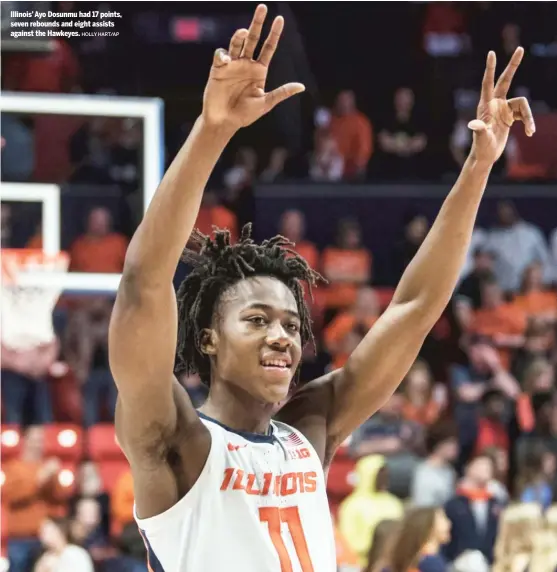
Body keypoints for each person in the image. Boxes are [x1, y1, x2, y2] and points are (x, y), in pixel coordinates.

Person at [108, 4, 535, 570]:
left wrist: (478, 166)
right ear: (208, 337)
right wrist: (213, 131)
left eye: (291, 322)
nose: (283, 335)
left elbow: (414, 308)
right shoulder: (176, 441)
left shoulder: (308, 430)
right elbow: (143, 283)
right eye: (257, 319)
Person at [375, 507, 452, 572]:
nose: (449, 523)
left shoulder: (406, 559)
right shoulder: (431, 564)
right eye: (443, 517)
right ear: (429, 526)